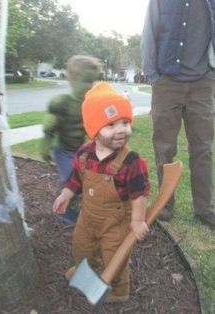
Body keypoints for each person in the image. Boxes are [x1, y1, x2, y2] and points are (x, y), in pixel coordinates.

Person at [52, 82, 150, 303]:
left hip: (116, 223)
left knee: (115, 256)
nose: (121, 130)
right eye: (111, 124)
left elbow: (139, 194)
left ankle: (119, 290)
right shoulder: (85, 154)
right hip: (88, 217)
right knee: (82, 245)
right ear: (94, 130)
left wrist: (137, 221)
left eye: (125, 122)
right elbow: (76, 179)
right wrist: (66, 194)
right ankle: (85, 271)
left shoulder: (131, 161)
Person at [141, 0, 215, 230]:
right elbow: (148, 35)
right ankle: (165, 205)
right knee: (164, 148)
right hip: (167, 82)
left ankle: (205, 208)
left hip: (202, 83)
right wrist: (153, 76)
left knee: (203, 148)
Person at [40, 55, 102, 224]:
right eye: (87, 81)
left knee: (86, 178)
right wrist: (45, 148)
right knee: (71, 179)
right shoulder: (61, 103)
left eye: (93, 82)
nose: (90, 86)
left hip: (80, 150)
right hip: (63, 151)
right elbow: (49, 129)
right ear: (73, 79)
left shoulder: (88, 103)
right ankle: (64, 212)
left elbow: (93, 128)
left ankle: (75, 205)